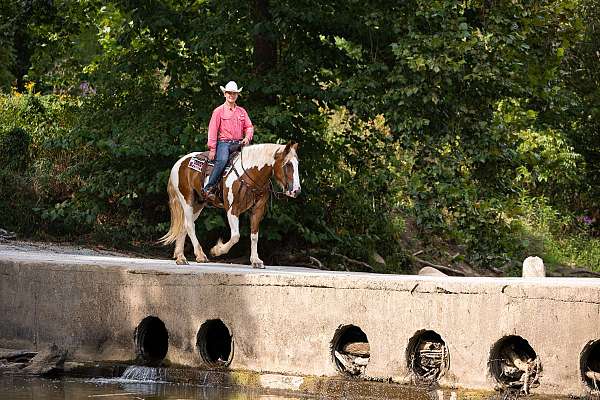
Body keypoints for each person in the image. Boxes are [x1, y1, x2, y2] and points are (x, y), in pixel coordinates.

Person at [202, 81, 254, 202]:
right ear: (225, 94)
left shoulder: (242, 111)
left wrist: (247, 138)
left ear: (237, 95)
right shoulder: (218, 111)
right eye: (229, 93)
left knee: (250, 160)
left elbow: (249, 127)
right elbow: (213, 130)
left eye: (234, 93)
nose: (231, 95)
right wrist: (212, 149)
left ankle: (248, 191)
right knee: (223, 160)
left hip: (238, 143)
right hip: (224, 143)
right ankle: (208, 188)